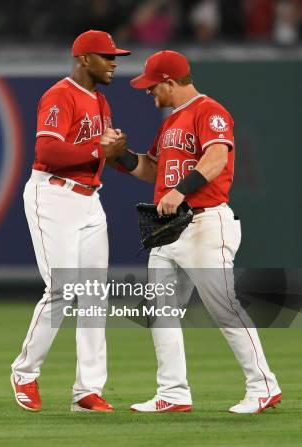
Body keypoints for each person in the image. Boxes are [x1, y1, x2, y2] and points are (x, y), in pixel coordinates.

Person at [102, 50, 281, 414]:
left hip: (204, 222)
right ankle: (173, 392)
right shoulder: (171, 122)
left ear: (169, 81)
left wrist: (181, 190)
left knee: (223, 307)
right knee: (160, 309)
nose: (148, 93)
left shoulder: (208, 111)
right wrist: (119, 156)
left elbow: (217, 158)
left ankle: (263, 386)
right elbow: (153, 169)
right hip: (170, 229)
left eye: (153, 86)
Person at [10, 30, 130, 413]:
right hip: (54, 195)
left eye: (115, 57)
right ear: (83, 59)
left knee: (94, 296)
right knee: (61, 289)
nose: (114, 63)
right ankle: (25, 373)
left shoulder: (101, 100)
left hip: (90, 200)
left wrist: (116, 150)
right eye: (107, 57)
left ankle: (87, 390)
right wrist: (99, 147)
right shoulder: (59, 94)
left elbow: (96, 154)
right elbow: (46, 149)